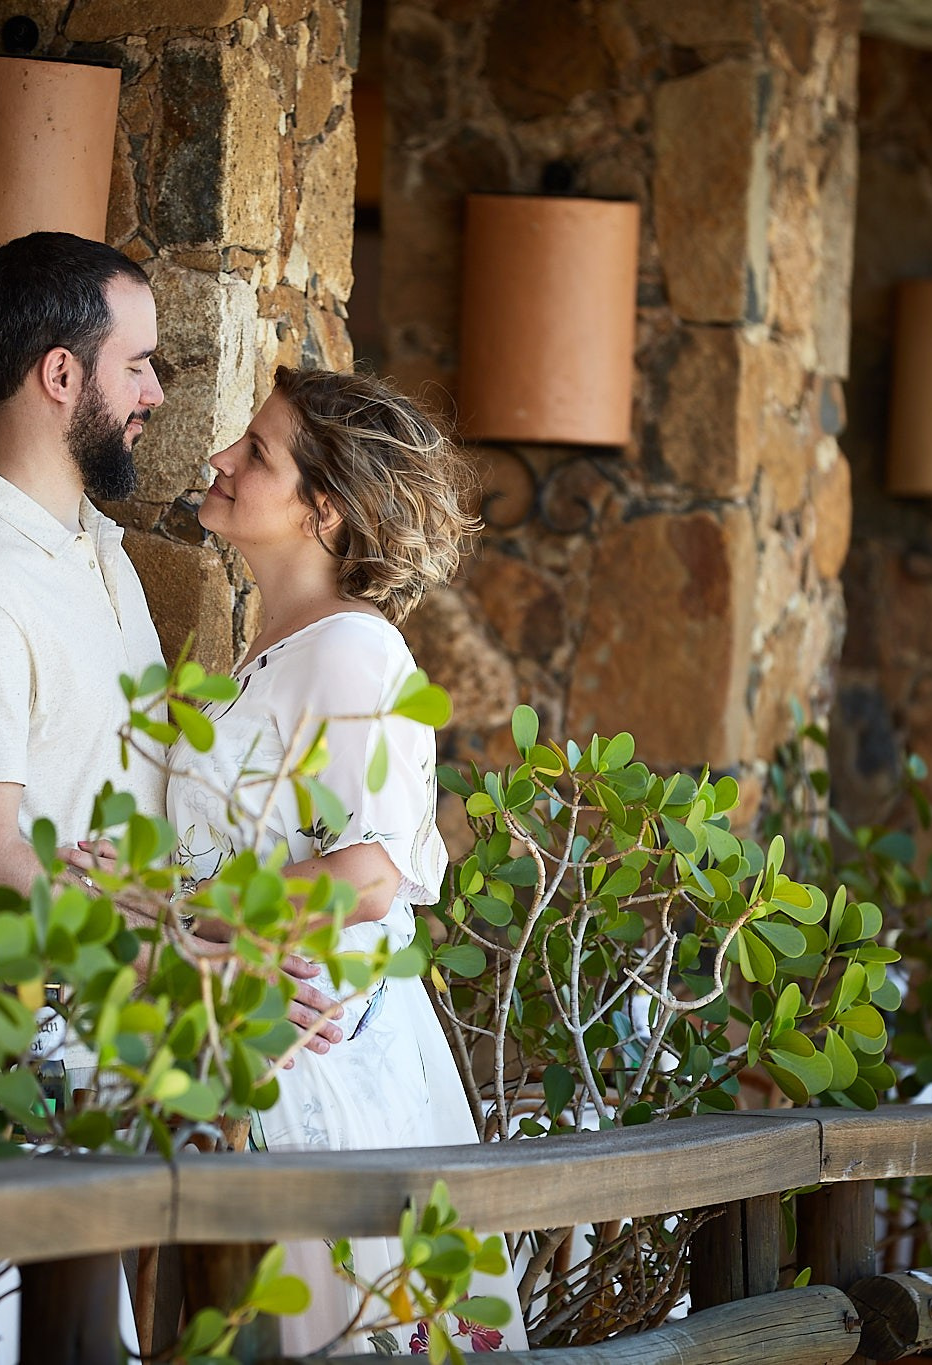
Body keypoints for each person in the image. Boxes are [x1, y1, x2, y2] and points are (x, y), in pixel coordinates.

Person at [0, 231, 346, 1057]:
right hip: (20, 1043)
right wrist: (180, 965)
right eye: (136, 365)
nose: (158, 393)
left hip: (116, 1035)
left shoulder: (98, 548)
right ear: (60, 375)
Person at [163, 367, 529, 1354]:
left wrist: (192, 922)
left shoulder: (352, 653)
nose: (220, 460)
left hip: (319, 1063)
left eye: (255, 454)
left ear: (322, 512)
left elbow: (367, 874)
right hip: (257, 1045)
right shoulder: (275, 650)